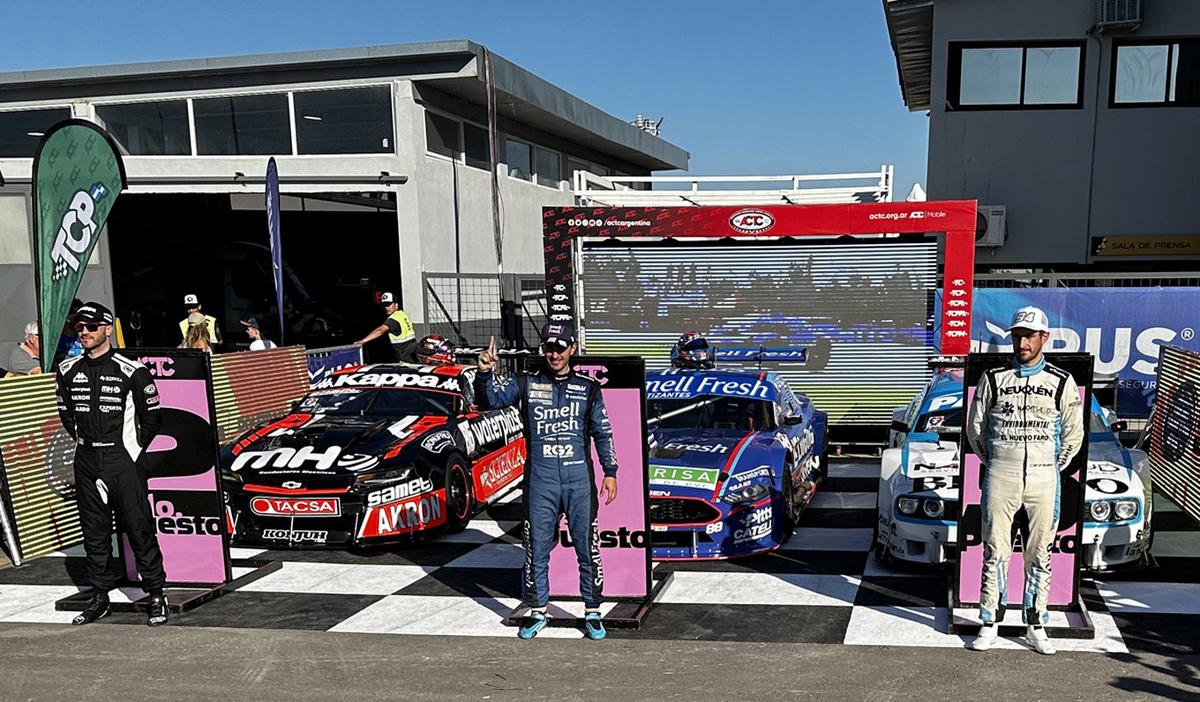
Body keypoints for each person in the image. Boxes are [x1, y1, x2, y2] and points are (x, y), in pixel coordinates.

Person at [475, 323, 618, 641]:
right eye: (548, 347)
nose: (554, 353)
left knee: (587, 548)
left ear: (572, 349)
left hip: (579, 480)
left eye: (560, 347)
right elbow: (490, 402)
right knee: (536, 549)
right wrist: (484, 373)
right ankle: (538, 610)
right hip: (541, 481)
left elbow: (603, 433)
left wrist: (610, 472)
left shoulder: (589, 387)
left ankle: (592, 611)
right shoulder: (526, 382)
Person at [965, 306, 1084, 656]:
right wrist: (996, 461)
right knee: (995, 550)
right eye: (1018, 335)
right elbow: (975, 429)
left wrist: (1051, 466)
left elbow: (1073, 434)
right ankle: (989, 622)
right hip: (1001, 472)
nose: (1022, 342)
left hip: (1045, 477)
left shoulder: (1061, 381)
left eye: (1029, 336)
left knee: (1040, 554)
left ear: (1044, 338)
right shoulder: (993, 378)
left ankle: (1036, 624)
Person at [53, 301, 170, 627]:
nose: (85, 332)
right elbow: (66, 416)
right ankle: (99, 595)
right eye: (80, 327)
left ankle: (157, 594)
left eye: (91, 326)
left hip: (123, 460)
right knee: (93, 533)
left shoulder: (132, 370)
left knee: (139, 528)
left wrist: (132, 451)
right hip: (86, 460)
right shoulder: (66, 370)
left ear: (107, 327)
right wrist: (85, 444)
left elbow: (153, 419)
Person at [354, 292, 416, 362]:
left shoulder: (394, 319)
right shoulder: (402, 314)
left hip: (404, 358)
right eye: (384, 305)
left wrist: (363, 341)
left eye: (389, 305)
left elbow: (380, 330)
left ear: (396, 305)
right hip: (412, 354)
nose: (386, 308)